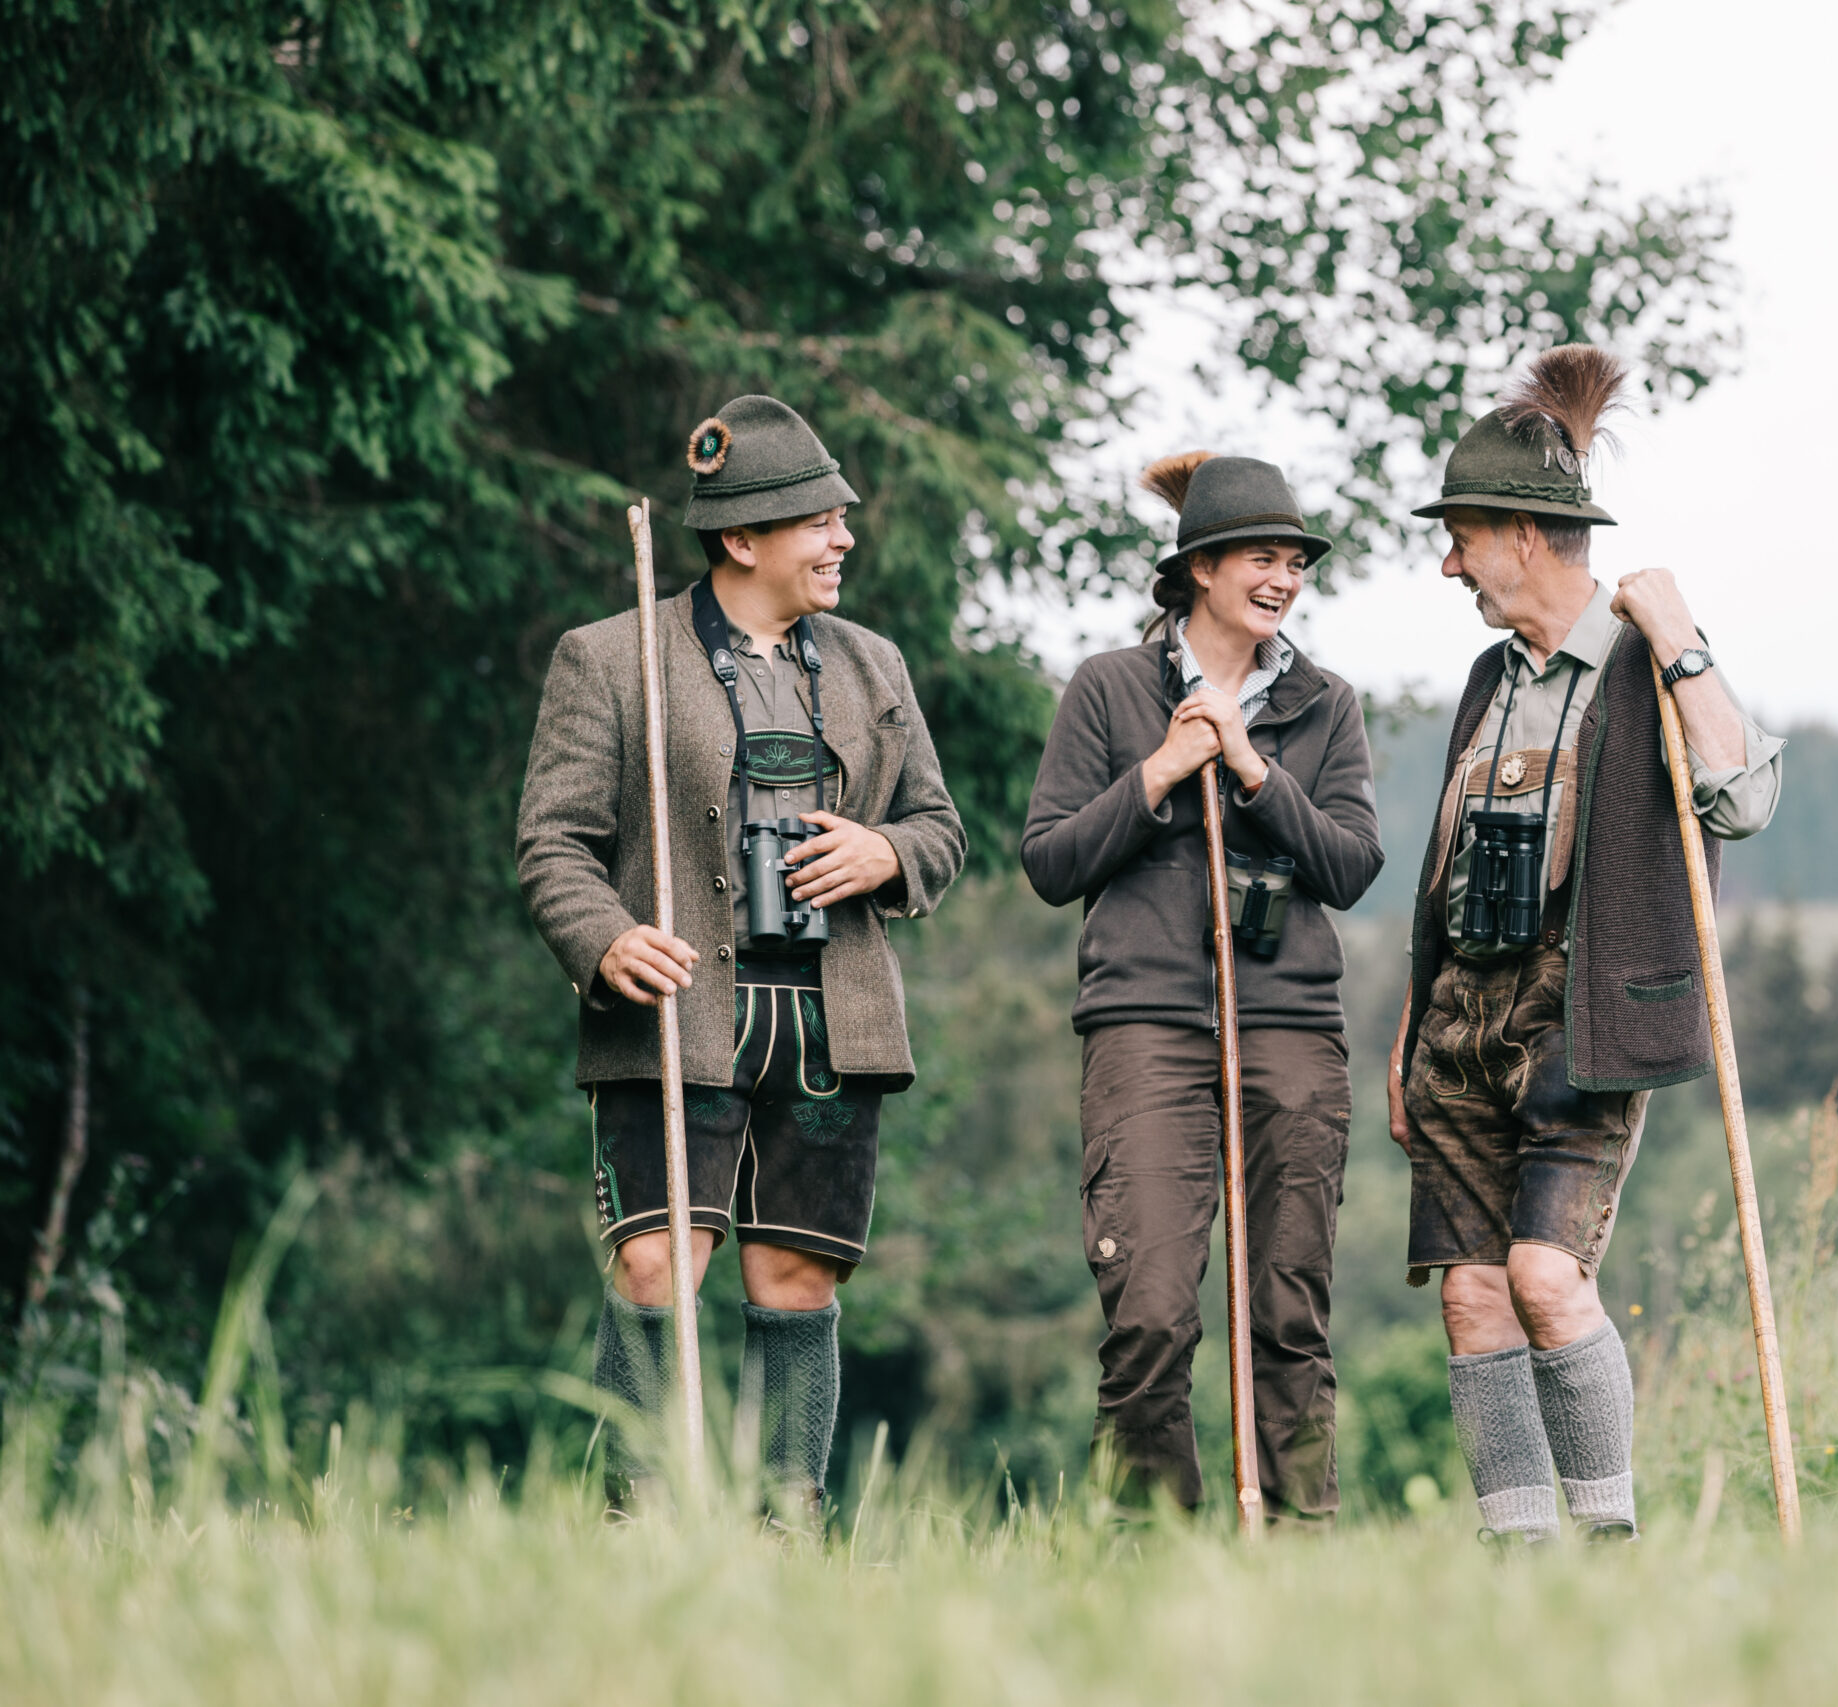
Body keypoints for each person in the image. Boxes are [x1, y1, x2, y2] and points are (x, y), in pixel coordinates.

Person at [517, 395, 967, 1517]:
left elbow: (939, 830)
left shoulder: (874, 668)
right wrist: (603, 936)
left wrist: (883, 851)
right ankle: (643, 1520)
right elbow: (553, 843)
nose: (843, 540)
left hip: (830, 1020)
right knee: (657, 1265)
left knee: (798, 1275)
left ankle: (785, 1531)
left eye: (842, 519)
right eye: (820, 520)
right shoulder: (611, 656)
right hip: (672, 1015)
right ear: (742, 539)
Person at [1388, 346, 1785, 1545]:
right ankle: (1521, 1567)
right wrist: (1410, 1027)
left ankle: (1609, 1549)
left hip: (1582, 1023)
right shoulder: (1483, 678)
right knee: (1469, 1296)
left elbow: (1745, 801)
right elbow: (1443, 861)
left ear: (1519, 533)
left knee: (1544, 1280)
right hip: (1459, 1020)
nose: (1447, 560)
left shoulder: (1644, 661)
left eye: (1460, 534)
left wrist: (1680, 635)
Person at [1021, 452, 1384, 1525]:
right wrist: (1163, 773)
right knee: (1148, 1309)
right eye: (1262, 559)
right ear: (1201, 569)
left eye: (1294, 563)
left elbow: (1351, 867)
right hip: (1145, 1025)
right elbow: (1050, 862)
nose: (1283, 579)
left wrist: (1257, 774)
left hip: (1289, 1031)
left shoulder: (1326, 707)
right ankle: (1152, 1554)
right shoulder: (1109, 689)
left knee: (1287, 1313)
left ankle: (1298, 1549)